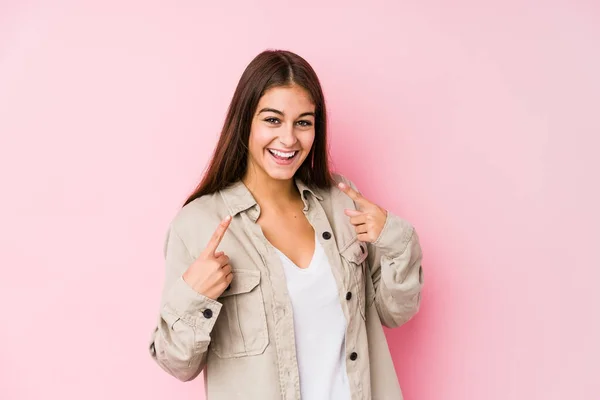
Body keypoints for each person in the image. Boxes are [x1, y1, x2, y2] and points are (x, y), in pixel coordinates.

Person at [148, 49, 424, 400]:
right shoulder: (198, 225)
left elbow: (394, 312)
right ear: (245, 120)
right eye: (273, 120)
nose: (289, 139)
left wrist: (395, 239)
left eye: (304, 122)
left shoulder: (342, 202)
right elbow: (177, 363)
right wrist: (194, 295)